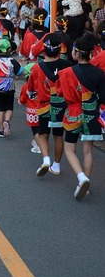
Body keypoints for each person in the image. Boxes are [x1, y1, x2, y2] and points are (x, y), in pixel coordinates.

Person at [56, 34, 105, 199]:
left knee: (69, 149)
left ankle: (81, 177)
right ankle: (86, 183)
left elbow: (59, 93)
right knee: (88, 150)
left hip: (73, 112)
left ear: (76, 53)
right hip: (91, 112)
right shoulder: (99, 73)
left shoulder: (66, 72)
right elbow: (103, 97)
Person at [27, 33, 73, 177]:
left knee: (43, 134)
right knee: (58, 136)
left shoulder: (37, 67)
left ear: (44, 50)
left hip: (44, 105)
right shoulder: (69, 66)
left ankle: (46, 159)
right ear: (60, 50)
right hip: (61, 106)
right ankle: (57, 165)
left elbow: (31, 89)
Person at [0, 38, 24, 137]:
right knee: (9, 107)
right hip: (9, 85)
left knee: (0, 108)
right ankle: (7, 121)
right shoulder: (12, 61)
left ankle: (1, 129)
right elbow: (20, 72)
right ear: (9, 49)